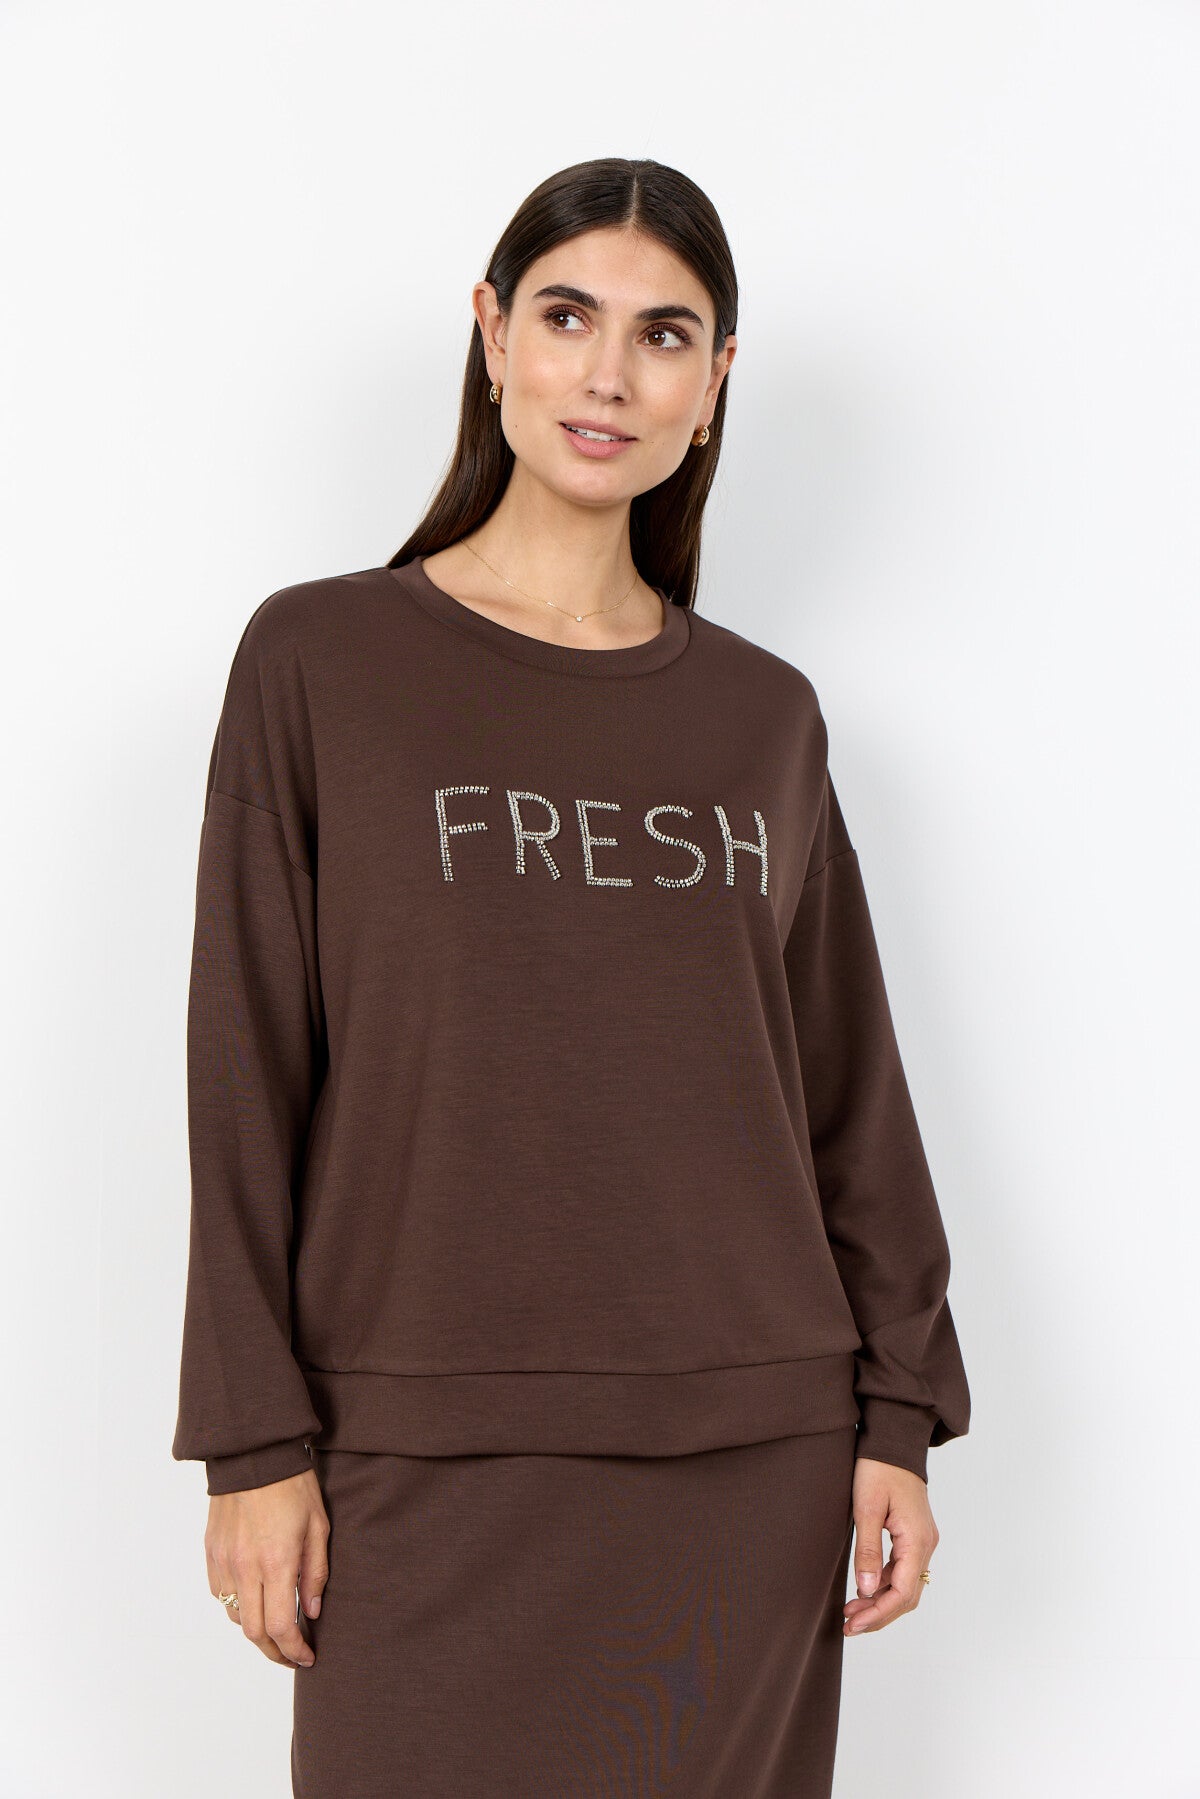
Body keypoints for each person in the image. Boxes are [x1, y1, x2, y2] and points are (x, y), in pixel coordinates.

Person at [172, 156, 971, 1798]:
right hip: (422, 1449)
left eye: (664, 336)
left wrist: (895, 1414)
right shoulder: (322, 662)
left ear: (715, 382)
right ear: (491, 334)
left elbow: (844, 1093)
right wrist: (253, 1440)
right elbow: (245, 1071)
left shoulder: (762, 718)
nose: (609, 375)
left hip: (748, 1460)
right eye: (566, 317)